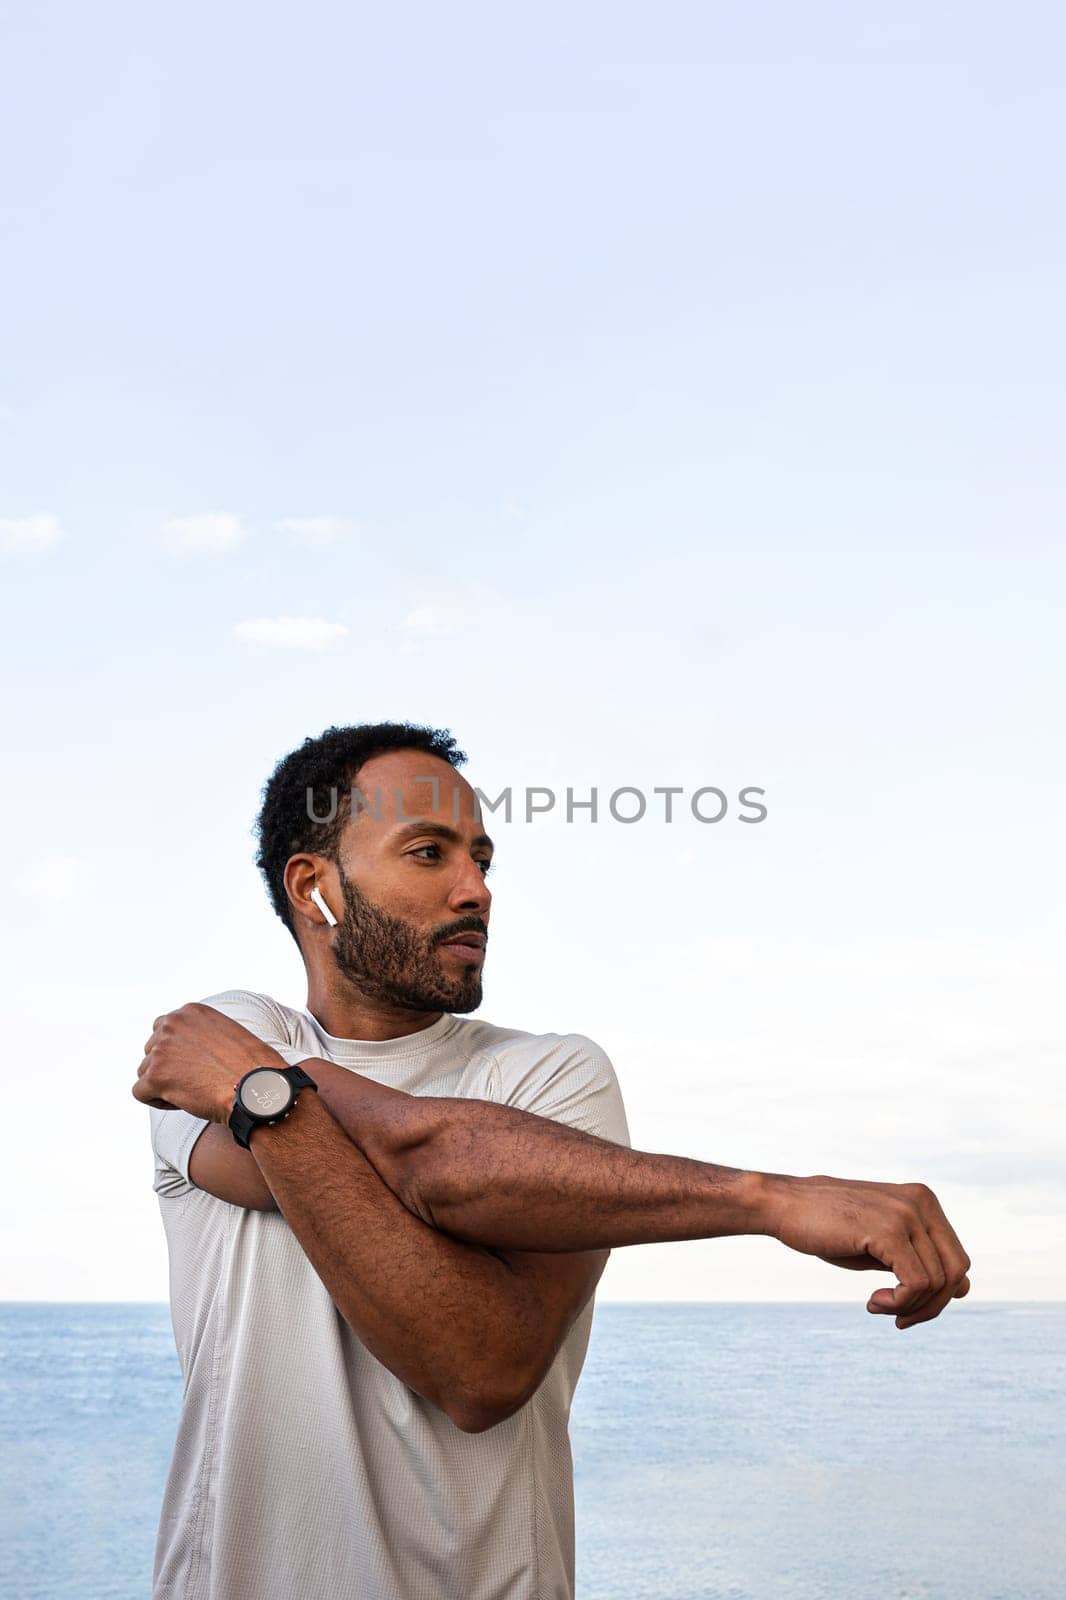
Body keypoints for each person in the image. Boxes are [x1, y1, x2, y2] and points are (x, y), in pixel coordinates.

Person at [135, 721, 971, 1600]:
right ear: (317, 889)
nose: (477, 891)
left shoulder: (551, 1075)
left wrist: (264, 1098)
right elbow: (430, 1161)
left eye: (484, 860)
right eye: (429, 853)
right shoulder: (222, 1036)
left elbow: (481, 1369)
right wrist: (764, 1201)